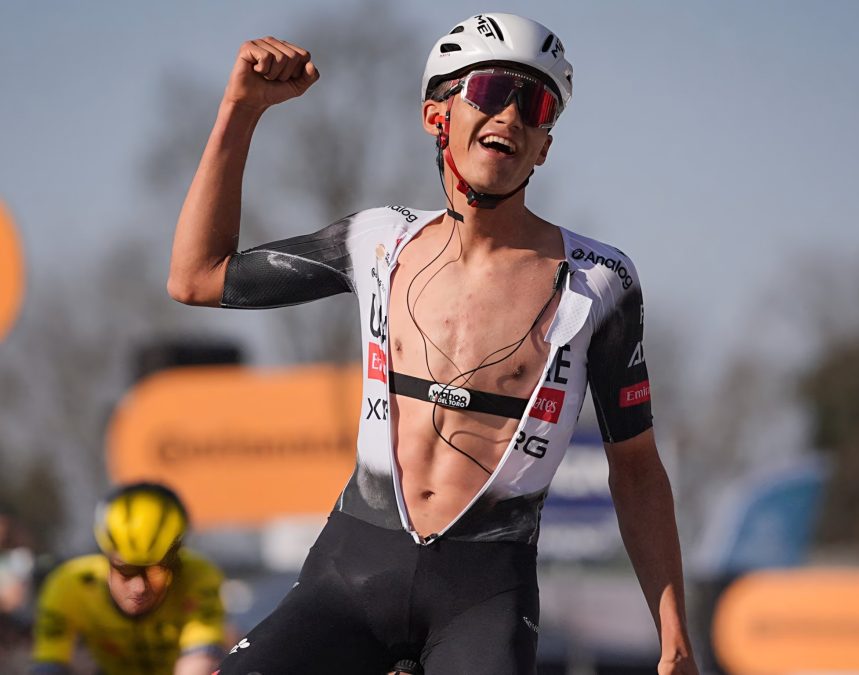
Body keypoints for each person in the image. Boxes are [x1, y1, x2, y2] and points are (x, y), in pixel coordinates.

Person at [169, 12, 698, 675]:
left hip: (484, 593)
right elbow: (196, 275)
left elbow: (637, 467)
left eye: (534, 103)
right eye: (489, 91)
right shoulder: (376, 241)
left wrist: (673, 634)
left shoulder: (601, 280)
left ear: (544, 147)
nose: (510, 113)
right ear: (436, 115)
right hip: (350, 574)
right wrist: (240, 110)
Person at [31, 482, 226, 675]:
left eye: (156, 571)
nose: (139, 587)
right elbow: (49, 665)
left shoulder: (198, 574)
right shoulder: (70, 584)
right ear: (106, 556)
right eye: (126, 571)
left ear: (175, 561)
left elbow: (198, 662)